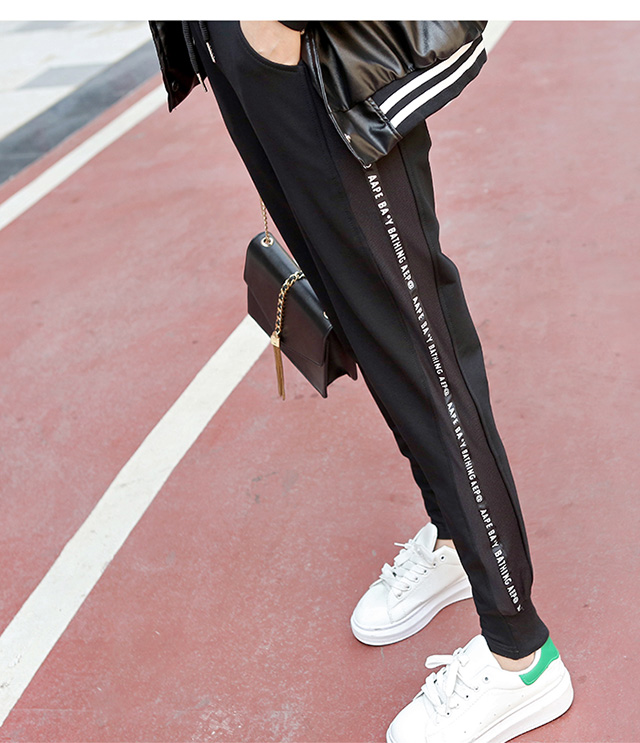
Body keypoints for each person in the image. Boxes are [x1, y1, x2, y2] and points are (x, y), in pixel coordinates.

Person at [149, 20, 574, 743]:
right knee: (364, 321)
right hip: (233, 45)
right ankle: (454, 539)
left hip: (311, 50)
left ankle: (520, 652)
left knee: (416, 341)